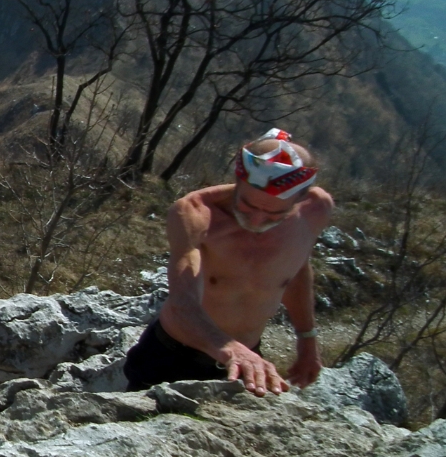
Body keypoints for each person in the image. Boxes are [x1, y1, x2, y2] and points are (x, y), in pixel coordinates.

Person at [123, 128, 333, 396]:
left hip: (244, 357)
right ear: (238, 178)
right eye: (247, 205)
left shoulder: (315, 211)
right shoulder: (196, 214)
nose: (256, 221)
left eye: (274, 213)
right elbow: (182, 301)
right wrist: (229, 348)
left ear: (301, 198)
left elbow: (295, 272)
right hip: (174, 356)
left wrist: (307, 341)